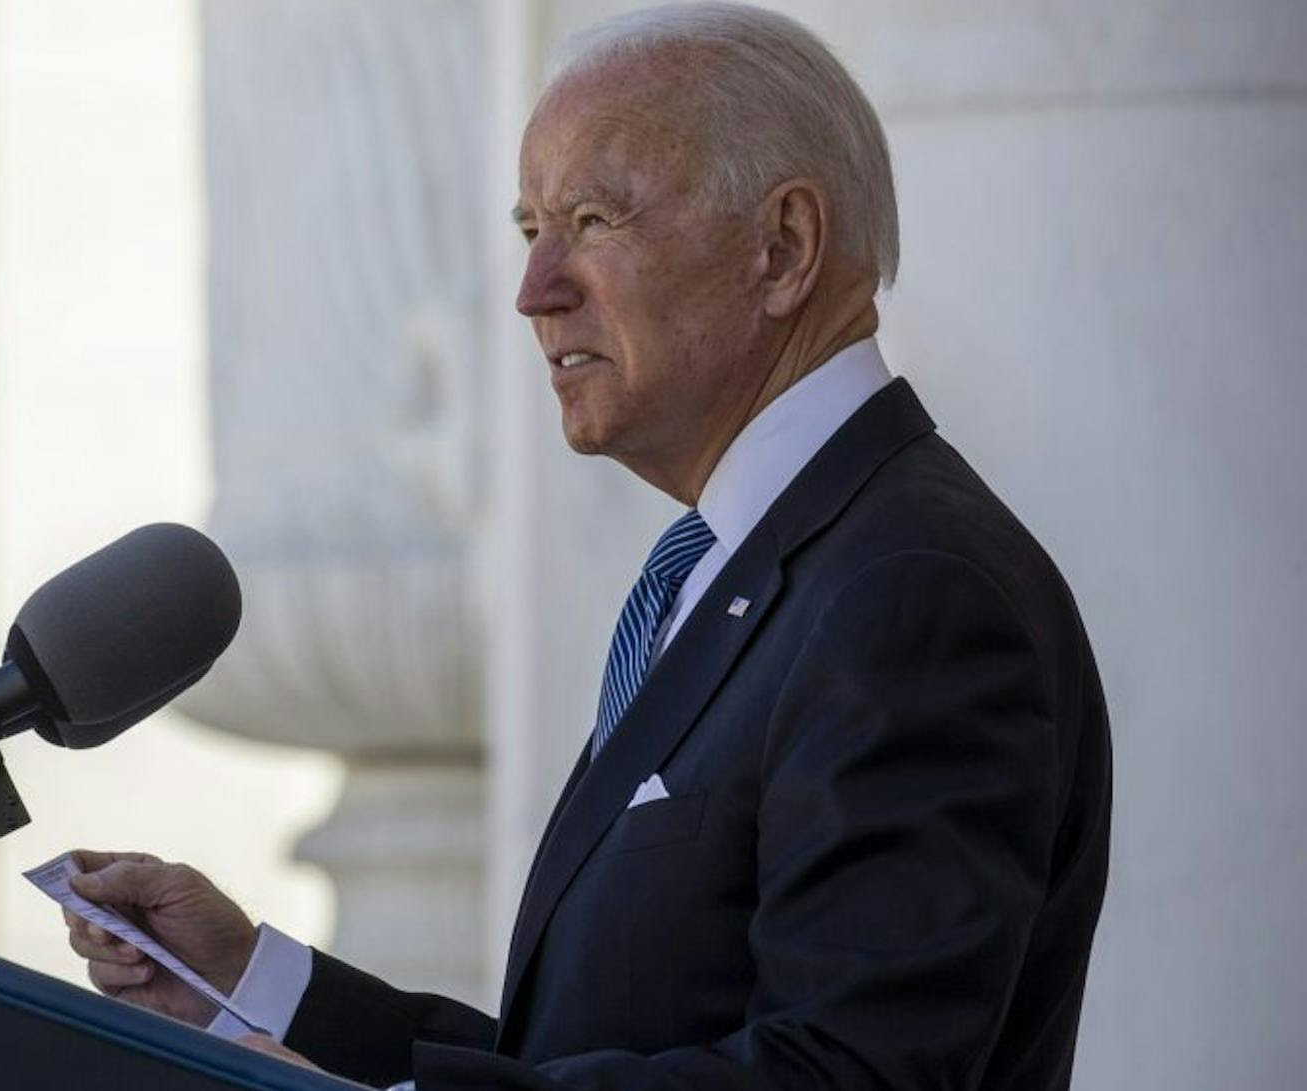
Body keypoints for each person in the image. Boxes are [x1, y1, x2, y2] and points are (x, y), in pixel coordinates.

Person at [61, 4, 1111, 1088]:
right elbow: (572, 1056)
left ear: (782, 248)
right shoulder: (741, 568)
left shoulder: (909, 592)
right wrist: (252, 982)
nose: (532, 292)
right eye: (529, 230)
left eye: (593, 220)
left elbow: (845, 1075)